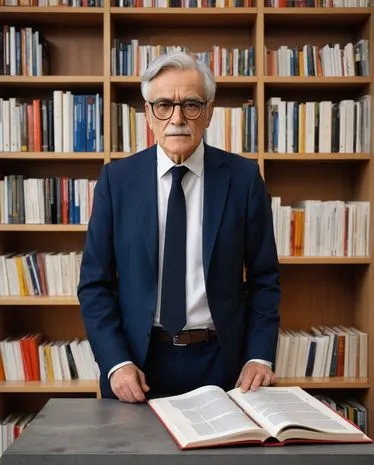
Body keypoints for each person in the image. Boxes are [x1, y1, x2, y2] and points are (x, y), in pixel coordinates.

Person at [78, 51, 280, 403]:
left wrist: (258, 355)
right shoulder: (117, 180)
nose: (177, 118)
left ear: (209, 112)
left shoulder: (244, 178)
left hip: (223, 364)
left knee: (221, 461)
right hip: (138, 365)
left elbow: (264, 279)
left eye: (191, 104)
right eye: (163, 105)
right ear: (148, 114)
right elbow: (95, 285)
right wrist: (116, 363)